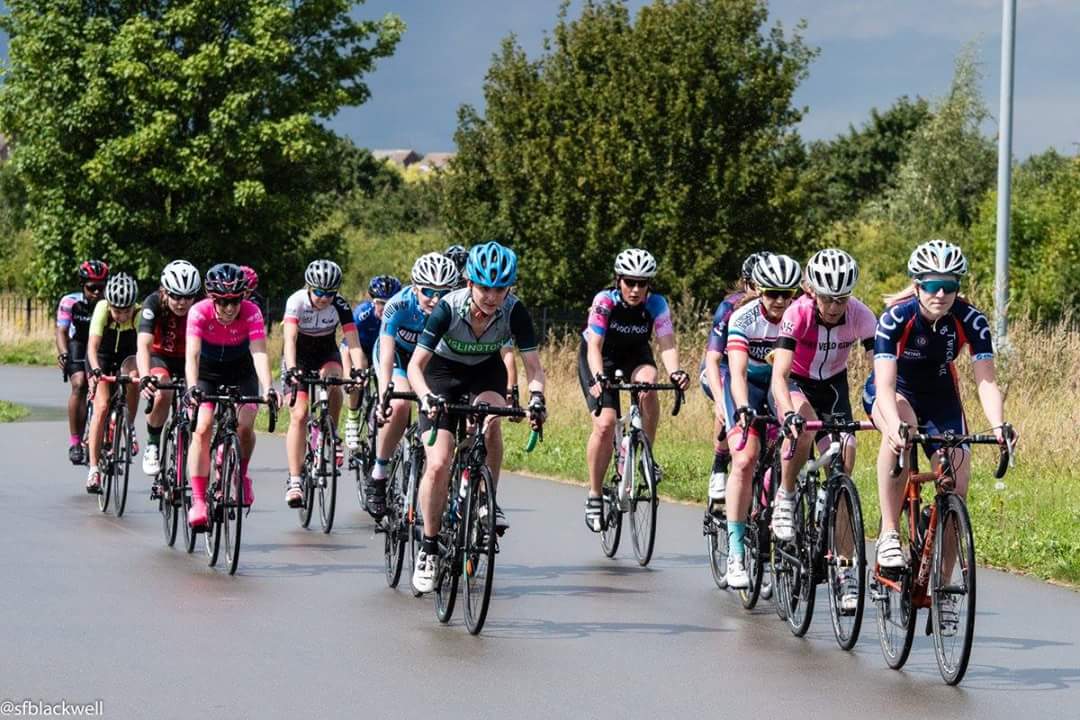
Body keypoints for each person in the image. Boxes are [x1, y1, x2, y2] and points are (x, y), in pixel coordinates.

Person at [864, 241, 1010, 593]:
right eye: (932, 285)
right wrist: (895, 425)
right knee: (901, 428)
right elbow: (883, 384)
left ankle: (943, 589)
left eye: (950, 284)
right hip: (893, 391)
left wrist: (999, 425)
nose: (941, 293)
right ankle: (888, 532)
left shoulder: (970, 319)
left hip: (941, 395)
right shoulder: (896, 318)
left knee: (956, 487)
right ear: (917, 285)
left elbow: (986, 380)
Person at [407, 241, 546, 593]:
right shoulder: (447, 308)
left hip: (485, 372)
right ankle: (428, 546)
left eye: (499, 288)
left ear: (509, 288)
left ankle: (486, 498)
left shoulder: (514, 311)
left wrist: (537, 398)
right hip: (441, 374)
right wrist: (425, 399)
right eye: (484, 287)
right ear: (469, 283)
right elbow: (414, 366)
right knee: (438, 462)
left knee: (491, 420)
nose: (491, 296)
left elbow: (533, 366)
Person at [770, 248, 876, 610]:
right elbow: (779, 376)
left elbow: (881, 369)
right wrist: (786, 413)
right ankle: (785, 496)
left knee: (845, 460)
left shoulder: (861, 315)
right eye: (828, 298)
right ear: (812, 291)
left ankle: (845, 571)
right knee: (804, 430)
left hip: (834, 386)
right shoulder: (796, 313)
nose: (834, 307)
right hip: (796, 383)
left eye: (841, 299)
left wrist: (883, 409)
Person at [578, 248, 691, 533]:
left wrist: (676, 371)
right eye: (630, 282)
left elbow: (666, 343)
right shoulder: (605, 301)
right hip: (600, 356)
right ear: (619, 281)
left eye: (642, 283)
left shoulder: (656, 304)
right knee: (604, 425)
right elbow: (594, 346)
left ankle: (644, 456)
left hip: (634, 354)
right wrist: (599, 377)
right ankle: (594, 494)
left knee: (648, 386)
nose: (636, 289)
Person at [722, 253, 802, 588]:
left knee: (796, 438)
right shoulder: (744, 317)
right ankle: (736, 552)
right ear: (760, 291)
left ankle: (781, 504)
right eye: (772, 293)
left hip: (781, 384)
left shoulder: (799, 317)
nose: (780, 301)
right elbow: (737, 373)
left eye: (787, 294)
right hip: (749, 385)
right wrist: (741, 407)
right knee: (744, 459)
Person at [183, 264, 277, 527]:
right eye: (223, 302)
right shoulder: (198, 312)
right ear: (212, 298)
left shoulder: (252, 312)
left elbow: (259, 353)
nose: (229, 308)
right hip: (207, 374)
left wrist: (268, 387)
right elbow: (192, 355)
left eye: (235, 300)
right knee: (201, 429)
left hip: (241, 372)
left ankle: (242, 476)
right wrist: (192, 388)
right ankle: (199, 500)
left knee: (245, 427)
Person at [366, 254, 459, 517]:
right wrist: (385, 392)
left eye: (443, 292)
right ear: (415, 287)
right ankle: (379, 473)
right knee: (399, 404)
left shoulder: (452, 309)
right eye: (428, 291)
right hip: (396, 355)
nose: (435, 299)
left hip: (429, 361)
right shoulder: (398, 305)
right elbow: (385, 352)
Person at [280, 259, 364, 508]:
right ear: (309, 287)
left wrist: (358, 370)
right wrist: (292, 369)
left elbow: (353, 341)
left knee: (335, 379)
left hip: (325, 351)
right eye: (319, 292)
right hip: (300, 355)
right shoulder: (296, 301)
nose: (324, 298)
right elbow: (290, 340)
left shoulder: (339, 304)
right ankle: (295, 481)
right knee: (300, 414)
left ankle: (331, 432)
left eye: (330, 293)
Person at [701, 252, 771, 510]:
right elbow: (712, 360)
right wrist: (720, 401)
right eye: (756, 285)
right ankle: (719, 464)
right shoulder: (730, 308)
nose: (761, 292)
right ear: (745, 284)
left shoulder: (780, 306)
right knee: (726, 410)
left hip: (758, 373)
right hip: (722, 366)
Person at [136, 260, 202, 482]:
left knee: (200, 403)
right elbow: (143, 345)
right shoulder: (152, 303)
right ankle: (153, 444)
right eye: (175, 296)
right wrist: (145, 376)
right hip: (160, 356)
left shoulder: (201, 306)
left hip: (190, 359)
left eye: (188, 297)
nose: (182, 303)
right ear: (164, 291)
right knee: (163, 390)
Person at [84, 273, 140, 493]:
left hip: (127, 356)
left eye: (126, 310)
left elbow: (144, 349)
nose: (122, 315)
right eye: (117, 311)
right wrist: (96, 370)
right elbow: (91, 348)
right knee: (102, 405)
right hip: (101, 357)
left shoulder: (138, 312)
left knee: (134, 377)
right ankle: (93, 469)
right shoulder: (101, 309)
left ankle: (129, 425)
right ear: (109, 305)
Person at [56, 259, 108, 464]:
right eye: (92, 287)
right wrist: (63, 353)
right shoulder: (69, 302)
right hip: (78, 344)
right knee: (79, 384)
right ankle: (75, 441)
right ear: (82, 284)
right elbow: (61, 331)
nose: (96, 292)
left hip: (101, 345)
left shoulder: (109, 303)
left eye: (101, 287)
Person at [342, 274, 401, 449]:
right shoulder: (362, 314)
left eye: (389, 303)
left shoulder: (399, 316)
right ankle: (352, 419)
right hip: (361, 350)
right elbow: (347, 347)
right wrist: (349, 376)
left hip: (385, 351)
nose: (385, 308)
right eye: (380, 303)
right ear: (373, 301)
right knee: (356, 380)